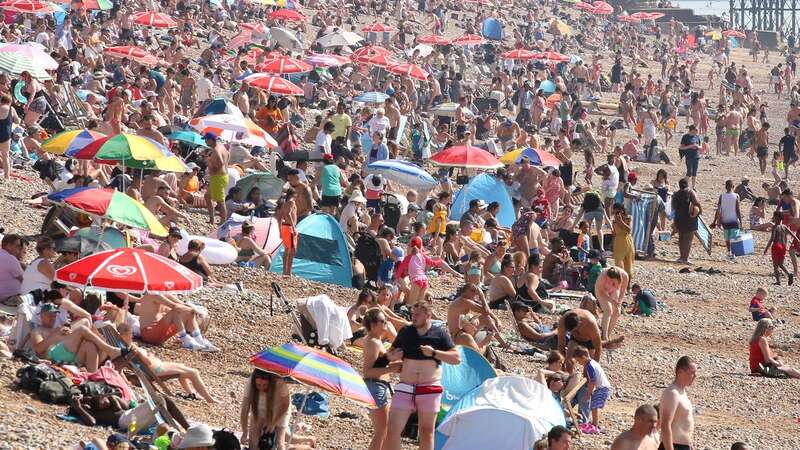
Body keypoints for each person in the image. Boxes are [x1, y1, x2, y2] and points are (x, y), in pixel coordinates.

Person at [384, 300, 461, 450]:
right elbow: (390, 352)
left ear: (428, 315)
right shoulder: (406, 331)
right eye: (413, 314)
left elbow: (456, 358)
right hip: (406, 386)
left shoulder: (439, 333)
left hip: (430, 387)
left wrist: (433, 352)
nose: (413, 317)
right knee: (393, 429)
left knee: (427, 432)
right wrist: (392, 356)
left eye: (417, 315)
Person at [117, 323, 219, 404]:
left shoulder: (125, 345)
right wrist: (150, 356)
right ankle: (209, 398)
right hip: (155, 371)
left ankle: (191, 393)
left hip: (158, 366)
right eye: (130, 333)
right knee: (194, 372)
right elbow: (147, 363)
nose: (132, 335)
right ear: (125, 335)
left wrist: (148, 356)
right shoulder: (132, 348)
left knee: (183, 367)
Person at [30, 302, 122, 372]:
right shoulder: (37, 331)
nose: (52, 318)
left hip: (68, 353)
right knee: (82, 328)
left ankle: (91, 377)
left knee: (90, 345)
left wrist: (63, 332)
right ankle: (110, 350)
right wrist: (56, 335)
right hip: (53, 355)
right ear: (41, 316)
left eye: (54, 316)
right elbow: (38, 349)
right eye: (49, 315)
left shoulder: (57, 328)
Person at [361, 308, 401, 450]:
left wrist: (394, 364)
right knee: (381, 431)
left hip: (377, 386)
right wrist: (391, 368)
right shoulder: (373, 342)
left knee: (384, 430)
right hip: (375, 386)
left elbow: (379, 364)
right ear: (373, 325)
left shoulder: (375, 340)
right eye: (383, 321)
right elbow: (367, 371)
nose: (386, 323)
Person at [239, 369, 291, 450]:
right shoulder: (250, 383)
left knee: (279, 443)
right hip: (259, 408)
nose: (261, 388)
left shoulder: (279, 383)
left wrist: (273, 423)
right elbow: (244, 410)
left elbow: (285, 405)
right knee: (253, 444)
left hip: (279, 410)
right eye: (258, 385)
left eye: (264, 385)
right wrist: (245, 432)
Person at [659, 356, 697, 450]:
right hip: (673, 446)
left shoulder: (682, 393)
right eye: (692, 372)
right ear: (680, 372)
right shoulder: (672, 393)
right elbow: (665, 424)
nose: (695, 376)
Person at [574, 345, 611, 433]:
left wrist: (588, 394)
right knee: (594, 406)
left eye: (579, 361)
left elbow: (592, 381)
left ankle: (595, 424)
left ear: (583, 357)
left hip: (602, 388)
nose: (579, 363)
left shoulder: (589, 366)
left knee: (594, 406)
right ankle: (595, 423)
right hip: (603, 387)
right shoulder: (593, 362)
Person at [671, 178, 702, 264]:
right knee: (688, 239)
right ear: (687, 184)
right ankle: (685, 258)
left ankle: (681, 257)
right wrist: (700, 211)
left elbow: (673, 207)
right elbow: (697, 202)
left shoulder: (676, 194)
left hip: (679, 218)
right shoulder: (690, 192)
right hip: (689, 219)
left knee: (681, 238)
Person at [763, 211, 798, 285]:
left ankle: (778, 281)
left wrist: (766, 249)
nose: (773, 218)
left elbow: (772, 238)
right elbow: (792, 234)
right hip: (783, 247)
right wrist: (798, 240)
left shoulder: (775, 227)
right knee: (781, 264)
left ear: (777, 218)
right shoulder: (784, 226)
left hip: (776, 246)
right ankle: (789, 274)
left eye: (774, 217)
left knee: (775, 265)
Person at [594, 266, 629, 340]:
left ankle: (608, 335)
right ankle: (604, 336)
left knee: (617, 312)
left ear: (619, 279)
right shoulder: (603, 275)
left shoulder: (624, 276)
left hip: (614, 290)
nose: (610, 282)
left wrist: (619, 302)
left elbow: (622, 292)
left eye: (613, 282)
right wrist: (612, 301)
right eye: (608, 280)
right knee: (608, 310)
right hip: (602, 291)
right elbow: (601, 292)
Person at [711, 180, 742, 261]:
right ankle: (733, 254)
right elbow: (737, 209)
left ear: (725, 187)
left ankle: (729, 252)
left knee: (727, 237)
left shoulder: (722, 196)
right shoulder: (736, 196)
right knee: (734, 238)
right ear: (733, 186)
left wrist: (714, 221)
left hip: (725, 220)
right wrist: (741, 222)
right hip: (734, 219)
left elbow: (718, 210)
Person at [204, 133, 230, 225]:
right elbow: (227, 156)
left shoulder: (216, 150)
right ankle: (212, 220)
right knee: (207, 196)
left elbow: (220, 164)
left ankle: (223, 223)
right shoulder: (222, 147)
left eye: (206, 139)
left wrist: (209, 162)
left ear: (210, 140)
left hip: (218, 177)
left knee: (220, 201)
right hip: (223, 176)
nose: (205, 142)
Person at [611, 203, 634, 286]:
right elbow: (614, 233)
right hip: (618, 242)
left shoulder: (628, 218)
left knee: (628, 265)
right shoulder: (614, 220)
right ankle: (620, 284)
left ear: (622, 211)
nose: (615, 214)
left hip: (627, 241)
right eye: (614, 213)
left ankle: (627, 286)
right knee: (618, 264)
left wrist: (620, 221)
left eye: (617, 212)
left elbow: (629, 230)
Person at [276, 189, 298, 276]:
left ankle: (285, 271)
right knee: (292, 251)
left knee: (287, 250)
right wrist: (293, 226)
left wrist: (280, 230)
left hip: (284, 227)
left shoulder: (284, 204)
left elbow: (279, 218)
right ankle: (288, 272)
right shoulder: (291, 202)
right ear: (294, 194)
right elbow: (288, 214)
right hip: (289, 227)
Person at [0, 234, 24, 301]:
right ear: (8, 246)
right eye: (17, 246)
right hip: (7, 298)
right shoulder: (10, 258)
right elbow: (24, 280)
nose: (19, 249)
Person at [679, 125, 701, 189]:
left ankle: (693, 187)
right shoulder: (685, 137)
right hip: (689, 156)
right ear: (692, 130)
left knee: (694, 173)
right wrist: (690, 146)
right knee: (689, 172)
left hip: (696, 156)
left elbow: (700, 146)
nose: (697, 132)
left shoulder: (697, 137)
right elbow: (681, 147)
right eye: (695, 130)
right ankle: (683, 186)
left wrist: (697, 147)